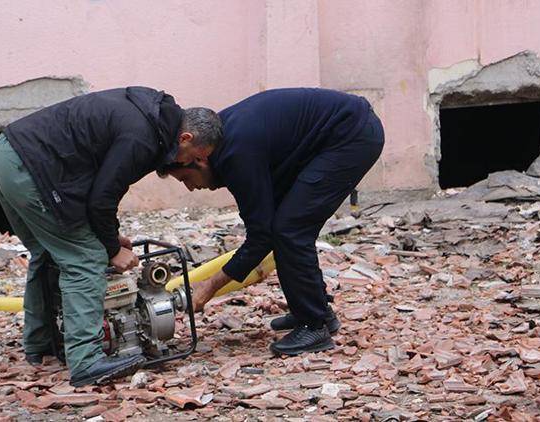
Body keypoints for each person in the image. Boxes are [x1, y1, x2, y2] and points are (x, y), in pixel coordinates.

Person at [0, 87, 222, 386]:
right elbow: (101, 198)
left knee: (49, 253)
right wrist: (110, 248)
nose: (191, 164)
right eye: (196, 158)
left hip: (6, 155)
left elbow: (101, 188)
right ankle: (86, 362)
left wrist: (111, 235)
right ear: (186, 138)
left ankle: (40, 345)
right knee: (84, 259)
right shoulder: (143, 137)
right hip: (32, 168)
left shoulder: (149, 114)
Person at [161, 88, 384, 356]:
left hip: (351, 136)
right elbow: (262, 225)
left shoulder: (236, 154)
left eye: (186, 178)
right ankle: (317, 312)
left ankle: (313, 326)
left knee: (290, 230)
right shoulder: (221, 143)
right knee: (286, 226)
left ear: (200, 158)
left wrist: (208, 288)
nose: (190, 188)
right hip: (329, 138)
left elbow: (260, 237)